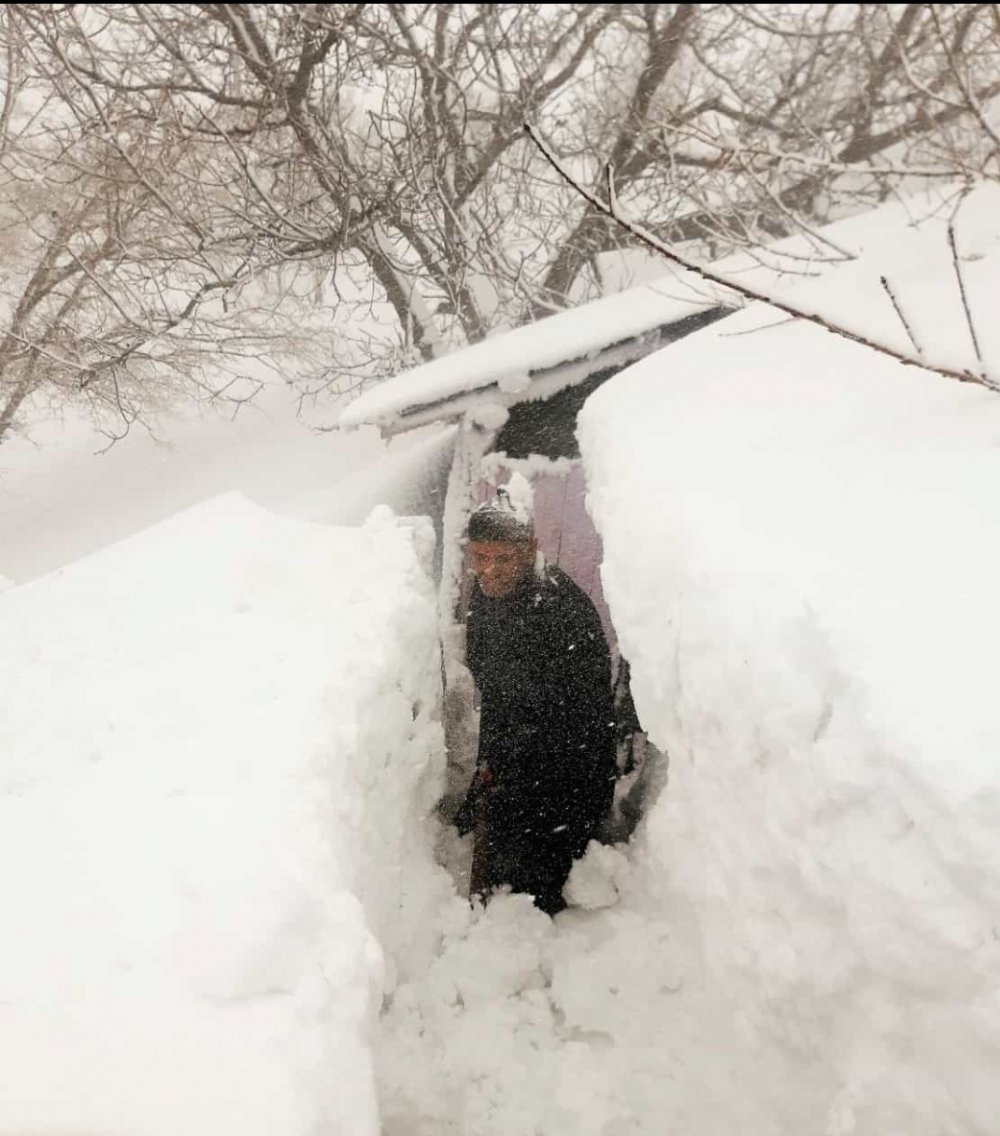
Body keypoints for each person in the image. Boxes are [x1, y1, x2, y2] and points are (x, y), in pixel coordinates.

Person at [454, 488, 617, 915]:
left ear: (530, 549)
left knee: (533, 891)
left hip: (565, 773)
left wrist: (520, 786)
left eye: (503, 559)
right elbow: (493, 691)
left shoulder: (564, 612)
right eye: (481, 558)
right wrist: (491, 763)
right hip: (519, 755)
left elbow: (583, 725)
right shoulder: (486, 600)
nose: (489, 571)